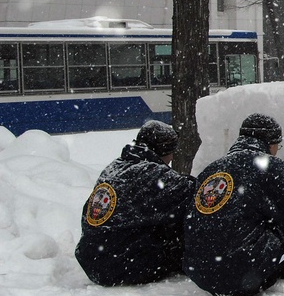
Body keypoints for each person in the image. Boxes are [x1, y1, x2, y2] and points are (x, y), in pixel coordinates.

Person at [183, 113, 284, 296]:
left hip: (200, 274)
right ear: (270, 143)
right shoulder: (270, 167)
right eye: (278, 145)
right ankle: (280, 273)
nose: (277, 150)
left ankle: (230, 275)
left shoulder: (211, 169)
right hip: (239, 276)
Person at [75, 120, 196, 286]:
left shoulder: (116, 166)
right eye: (172, 151)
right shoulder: (151, 173)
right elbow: (195, 193)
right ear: (164, 150)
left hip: (91, 259)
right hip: (118, 266)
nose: (172, 157)